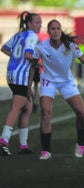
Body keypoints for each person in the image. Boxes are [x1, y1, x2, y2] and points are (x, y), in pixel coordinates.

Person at [31, 19, 84, 160]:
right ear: (48, 32)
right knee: (46, 114)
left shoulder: (70, 45)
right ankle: (46, 151)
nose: (55, 31)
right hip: (48, 82)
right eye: (53, 29)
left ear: (60, 31)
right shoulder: (41, 47)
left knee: (81, 114)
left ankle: (80, 144)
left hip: (67, 82)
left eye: (58, 28)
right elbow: (33, 65)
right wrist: (28, 86)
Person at [0, 11, 42, 156]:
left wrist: (16, 59)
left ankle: (23, 145)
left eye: (41, 23)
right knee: (16, 108)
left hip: (11, 73)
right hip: (20, 76)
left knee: (27, 108)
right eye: (37, 22)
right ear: (29, 23)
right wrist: (39, 63)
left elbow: (4, 48)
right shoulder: (32, 36)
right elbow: (28, 55)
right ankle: (3, 141)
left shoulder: (19, 35)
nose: (40, 25)